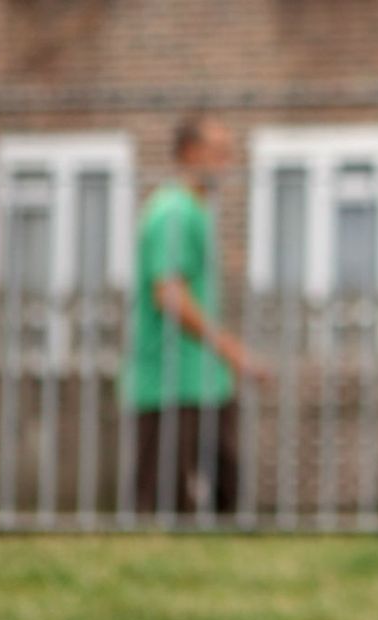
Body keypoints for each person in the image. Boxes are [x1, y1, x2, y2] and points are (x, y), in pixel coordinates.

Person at [121, 115, 269, 516]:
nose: (228, 163)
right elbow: (168, 294)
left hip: (203, 377)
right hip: (169, 377)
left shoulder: (194, 211)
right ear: (189, 153)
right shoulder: (173, 211)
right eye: (218, 153)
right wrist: (231, 349)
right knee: (162, 501)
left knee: (227, 483)